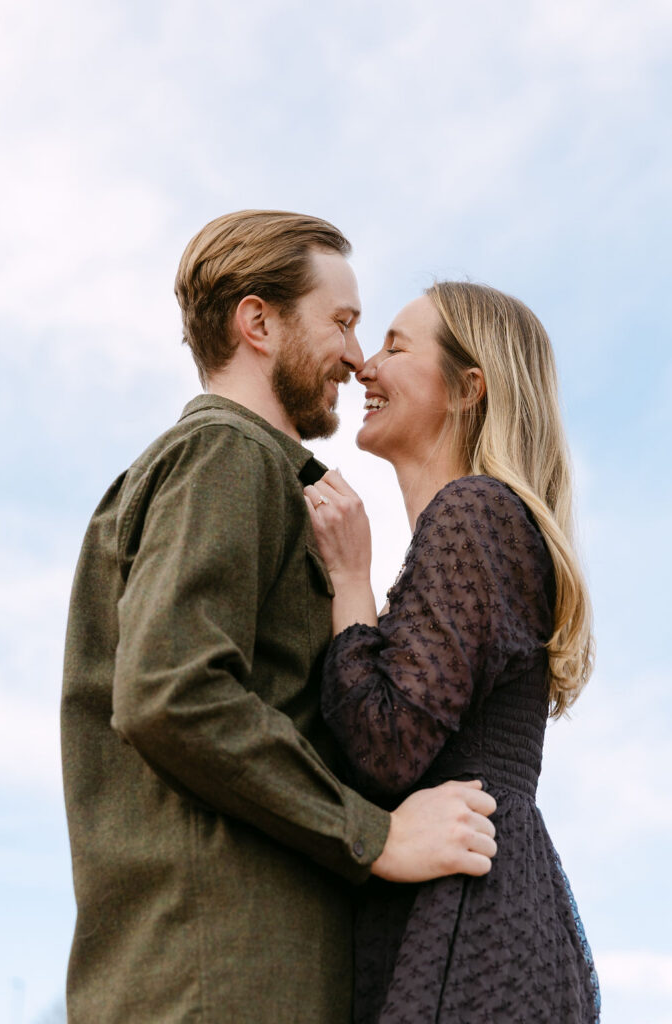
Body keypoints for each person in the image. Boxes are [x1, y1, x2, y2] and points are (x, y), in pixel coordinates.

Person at [60, 212, 498, 1024]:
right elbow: (171, 692)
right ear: (258, 323)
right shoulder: (225, 457)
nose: (357, 356)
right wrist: (376, 836)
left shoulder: (259, 477)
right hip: (219, 987)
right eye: (342, 322)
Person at [304, 282, 601, 1023]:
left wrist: (347, 579)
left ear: (469, 389)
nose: (365, 366)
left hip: (467, 930)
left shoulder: (473, 512)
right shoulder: (481, 525)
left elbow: (388, 742)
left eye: (396, 347)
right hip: (484, 913)